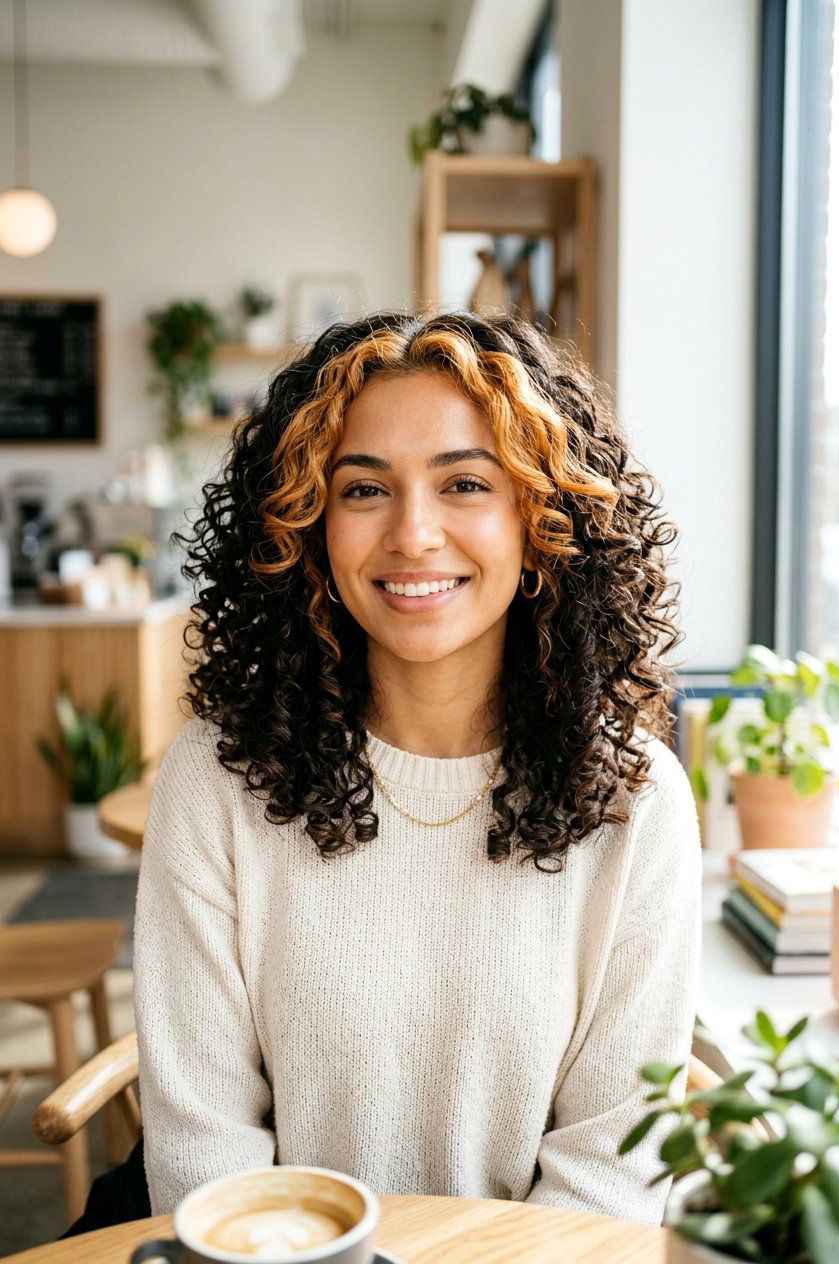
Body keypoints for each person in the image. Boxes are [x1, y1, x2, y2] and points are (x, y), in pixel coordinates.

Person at [134, 310, 701, 1226]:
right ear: (309, 525)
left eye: (465, 483)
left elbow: (611, 1173)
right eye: (364, 490)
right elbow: (204, 1152)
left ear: (543, 519)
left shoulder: (638, 801)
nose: (413, 534)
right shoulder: (214, 779)